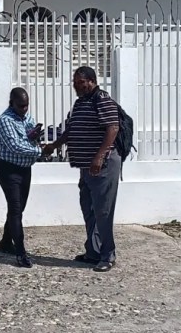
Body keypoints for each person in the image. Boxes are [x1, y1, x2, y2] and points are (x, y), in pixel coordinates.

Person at [42, 66, 120, 272]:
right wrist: (53, 145)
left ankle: (108, 254)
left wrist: (99, 156)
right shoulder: (80, 103)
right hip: (85, 167)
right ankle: (93, 252)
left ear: (91, 81)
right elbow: (71, 131)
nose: (76, 86)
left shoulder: (102, 99)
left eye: (80, 83)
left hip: (102, 166)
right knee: (89, 209)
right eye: (75, 83)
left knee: (103, 211)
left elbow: (113, 128)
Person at [0, 87, 42, 268]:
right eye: (20, 106)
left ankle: (6, 242)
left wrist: (34, 136)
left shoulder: (28, 118)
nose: (24, 109)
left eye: (26, 105)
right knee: (14, 208)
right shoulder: (4, 121)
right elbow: (15, 146)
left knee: (19, 208)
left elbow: (27, 140)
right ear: (11, 103)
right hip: (8, 169)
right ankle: (20, 252)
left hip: (24, 169)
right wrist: (40, 151)